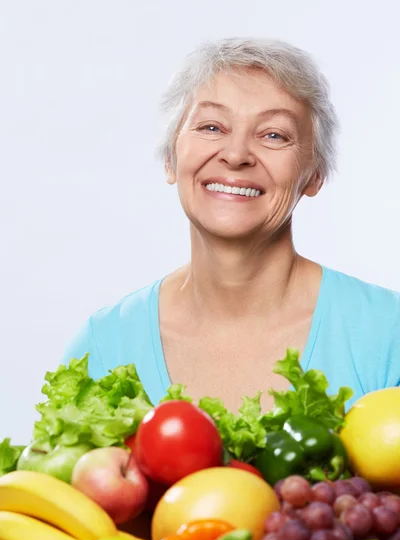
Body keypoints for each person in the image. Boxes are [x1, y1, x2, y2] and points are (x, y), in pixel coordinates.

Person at [63, 37, 400, 413]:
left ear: (315, 175)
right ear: (170, 160)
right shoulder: (106, 345)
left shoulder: (389, 334)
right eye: (211, 127)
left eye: (274, 134)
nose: (236, 155)